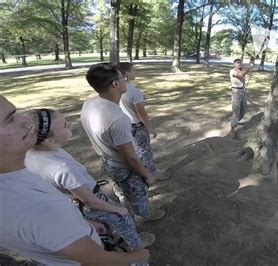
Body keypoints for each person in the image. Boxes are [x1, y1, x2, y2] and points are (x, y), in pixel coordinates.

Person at [0, 95, 149, 265]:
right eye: (10, 119)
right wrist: (139, 255)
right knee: (123, 223)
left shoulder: (27, 161)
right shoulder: (49, 188)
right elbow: (97, 258)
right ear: (48, 140)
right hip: (93, 207)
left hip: (82, 220)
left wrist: (86, 225)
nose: (26, 121)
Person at [24, 108, 155, 251]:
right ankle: (136, 246)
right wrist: (118, 209)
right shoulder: (62, 168)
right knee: (123, 219)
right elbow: (90, 201)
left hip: (73, 203)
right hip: (89, 200)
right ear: (48, 140)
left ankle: (114, 239)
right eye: (65, 125)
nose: (70, 124)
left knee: (103, 225)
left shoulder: (31, 154)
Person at [81, 63, 165, 222]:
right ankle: (143, 217)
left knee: (121, 189)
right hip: (124, 166)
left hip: (107, 161)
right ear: (115, 83)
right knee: (137, 193)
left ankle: (127, 208)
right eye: (122, 77)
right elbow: (130, 158)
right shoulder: (117, 119)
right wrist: (148, 175)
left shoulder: (89, 103)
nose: (125, 80)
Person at [117, 62, 170, 181]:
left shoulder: (115, 89)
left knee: (132, 151)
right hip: (136, 127)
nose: (135, 72)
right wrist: (150, 128)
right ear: (126, 74)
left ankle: (137, 170)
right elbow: (141, 114)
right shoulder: (134, 92)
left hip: (124, 125)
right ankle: (151, 174)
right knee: (145, 151)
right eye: (133, 70)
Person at [229, 58, 254, 137]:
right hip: (236, 92)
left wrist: (252, 62)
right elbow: (241, 75)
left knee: (244, 109)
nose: (239, 64)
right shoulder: (232, 71)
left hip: (242, 92)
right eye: (237, 63)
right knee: (236, 111)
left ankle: (236, 121)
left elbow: (249, 69)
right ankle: (232, 129)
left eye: (240, 62)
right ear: (234, 64)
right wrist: (249, 67)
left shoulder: (242, 69)